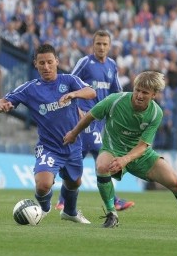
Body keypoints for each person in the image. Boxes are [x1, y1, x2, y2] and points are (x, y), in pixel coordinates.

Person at [63, 70, 177, 231]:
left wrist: (125, 160)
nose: (139, 95)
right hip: (113, 150)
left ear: (154, 95)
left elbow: (143, 145)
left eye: (145, 93)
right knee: (102, 166)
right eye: (137, 90)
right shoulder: (115, 100)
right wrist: (73, 133)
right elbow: (90, 116)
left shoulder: (156, 113)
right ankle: (112, 214)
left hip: (141, 155)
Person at [0, 43, 97, 224]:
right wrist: (1, 106)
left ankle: (70, 212)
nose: (46, 67)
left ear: (57, 61)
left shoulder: (69, 80)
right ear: (35, 64)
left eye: (50, 62)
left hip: (73, 144)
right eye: (42, 63)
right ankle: (43, 208)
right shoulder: (29, 88)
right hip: (49, 146)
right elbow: (2, 100)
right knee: (43, 185)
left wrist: (74, 95)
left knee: (75, 182)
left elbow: (91, 91)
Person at [56, 30, 134, 212]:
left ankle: (62, 200)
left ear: (109, 46)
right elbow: (69, 83)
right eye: (98, 43)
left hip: (100, 121)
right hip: (84, 119)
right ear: (93, 45)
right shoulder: (85, 63)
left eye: (105, 44)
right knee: (98, 157)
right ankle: (113, 200)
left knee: (80, 158)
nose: (101, 47)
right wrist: (76, 109)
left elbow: (117, 91)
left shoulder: (112, 65)